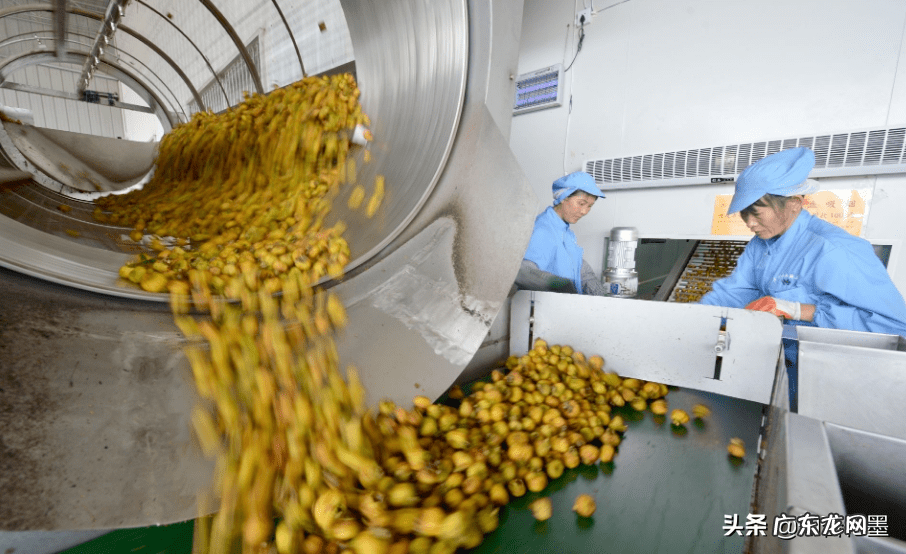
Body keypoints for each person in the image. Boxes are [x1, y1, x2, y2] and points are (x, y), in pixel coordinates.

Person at [700, 146, 906, 335]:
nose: (750, 223)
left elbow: (895, 327)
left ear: (794, 204)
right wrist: (692, 319)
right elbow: (736, 292)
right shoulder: (762, 243)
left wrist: (800, 310)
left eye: (757, 213)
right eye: (744, 213)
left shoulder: (835, 250)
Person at [516, 171, 608, 295]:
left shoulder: (566, 233)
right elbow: (523, 272)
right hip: (542, 308)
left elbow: (581, 270)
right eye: (581, 204)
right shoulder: (543, 229)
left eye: (590, 206)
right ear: (564, 197)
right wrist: (560, 285)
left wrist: (603, 295)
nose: (584, 211)